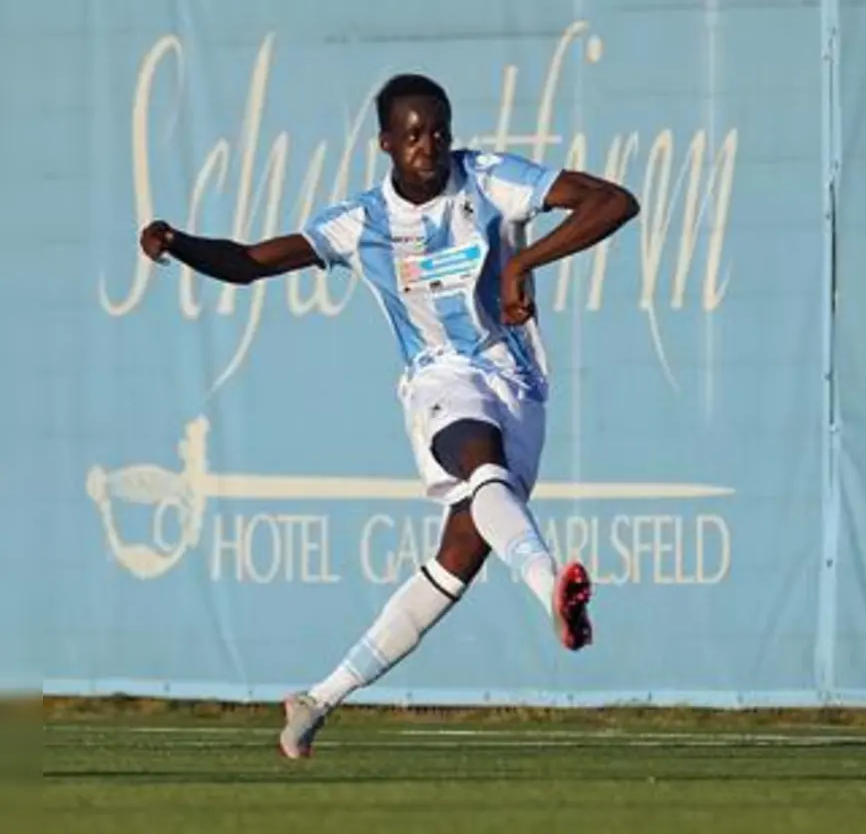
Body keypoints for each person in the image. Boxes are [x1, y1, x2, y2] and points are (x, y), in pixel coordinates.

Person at [136, 73, 640, 759]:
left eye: (438, 132)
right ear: (384, 144)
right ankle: (552, 588)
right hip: (440, 382)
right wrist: (180, 242)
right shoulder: (363, 223)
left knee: (458, 559)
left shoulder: (489, 179)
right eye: (411, 136)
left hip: (519, 382)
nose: (428, 146)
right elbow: (252, 262)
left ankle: (317, 699)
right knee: (479, 460)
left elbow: (614, 202)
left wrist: (524, 260)